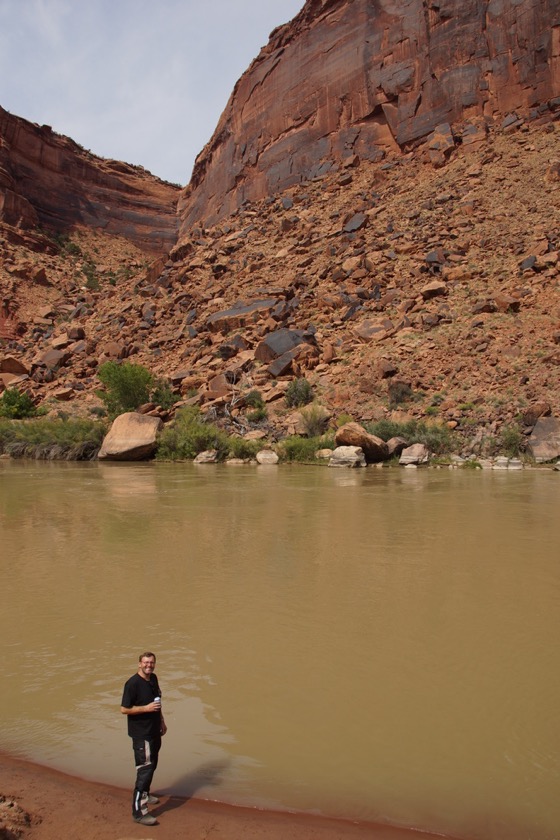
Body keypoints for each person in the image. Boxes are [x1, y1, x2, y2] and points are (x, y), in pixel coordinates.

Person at [121, 651, 167, 826]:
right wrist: (145, 708)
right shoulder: (132, 684)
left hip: (155, 731)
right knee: (145, 770)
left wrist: (162, 721)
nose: (149, 665)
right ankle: (139, 812)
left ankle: (146, 794)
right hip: (142, 735)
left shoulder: (153, 678)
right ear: (139, 664)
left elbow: (157, 702)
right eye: (146, 663)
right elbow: (124, 709)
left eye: (152, 662)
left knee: (152, 765)